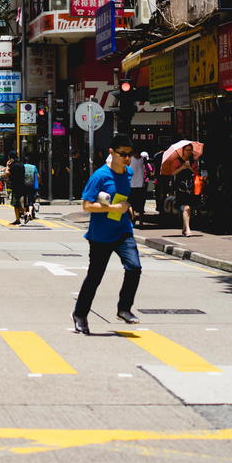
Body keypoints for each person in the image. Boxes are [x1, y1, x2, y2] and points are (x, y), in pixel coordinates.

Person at [72, 134, 142, 333]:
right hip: (101, 235)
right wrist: (113, 208)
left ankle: (124, 309)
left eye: (130, 154)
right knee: (95, 277)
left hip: (123, 231)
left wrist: (127, 209)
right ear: (112, 152)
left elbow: (124, 198)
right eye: (123, 154)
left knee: (134, 267)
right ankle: (80, 314)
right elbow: (86, 205)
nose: (127, 159)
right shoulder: (100, 176)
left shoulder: (128, 173)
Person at [173, 144, 198, 237]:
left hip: (190, 186)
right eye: (187, 150)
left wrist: (190, 167)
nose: (188, 152)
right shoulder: (178, 160)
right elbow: (172, 172)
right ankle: (188, 229)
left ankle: (184, 228)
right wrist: (182, 167)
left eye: (190, 150)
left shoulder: (193, 161)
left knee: (189, 208)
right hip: (180, 186)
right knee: (186, 207)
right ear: (183, 150)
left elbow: (196, 172)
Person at [6, 151, 26, 225]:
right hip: (22, 186)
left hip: (16, 187)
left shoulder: (13, 165)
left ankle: (25, 214)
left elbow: (7, 173)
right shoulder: (21, 164)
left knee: (15, 204)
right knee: (18, 203)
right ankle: (18, 219)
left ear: (11, 158)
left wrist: (7, 165)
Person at [129, 151, 148, 228]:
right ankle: (141, 221)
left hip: (132, 184)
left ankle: (133, 219)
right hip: (140, 185)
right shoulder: (143, 159)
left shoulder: (130, 159)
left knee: (131, 203)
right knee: (141, 204)